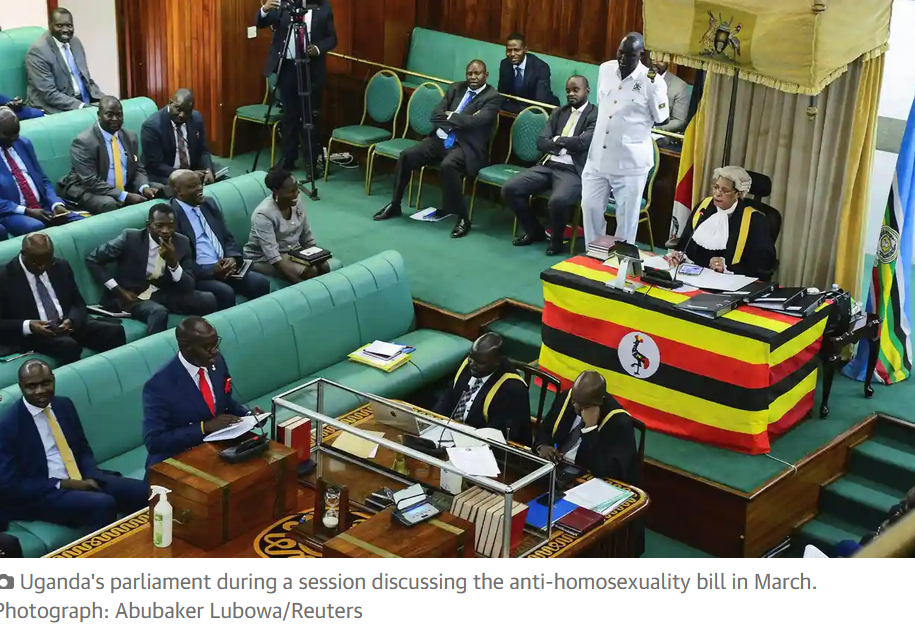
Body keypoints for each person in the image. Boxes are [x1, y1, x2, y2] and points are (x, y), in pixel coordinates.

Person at [0, 360, 148, 531]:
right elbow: (11, 484)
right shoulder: (8, 425)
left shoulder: (63, 405)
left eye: (45, 383)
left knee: (143, 492)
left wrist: (91, 474)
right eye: (31, 386)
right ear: (21, 387)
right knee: (103, 504)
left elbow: (82, 448)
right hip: (44, 492)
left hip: (81, 476)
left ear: (53, 380)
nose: (40, 391)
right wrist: (65, 484)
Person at [374, 60, 503, 239]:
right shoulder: (456, 88)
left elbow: (477, 122)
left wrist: (451, 116)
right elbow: (435, 114)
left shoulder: (493, 97)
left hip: (465, 146)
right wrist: (459, 121)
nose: (473, 77)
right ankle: (395, 204)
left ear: (486, 75)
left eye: (477, 73)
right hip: (439, 139)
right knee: (406, 156)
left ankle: (463, 218)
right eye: (469, 73)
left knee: (448, 165)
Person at [581, 33, 668, 246]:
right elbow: (604, 106)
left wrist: (654, 89)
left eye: (629, 55)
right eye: (620, 53)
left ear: (641, 55)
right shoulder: (605, 69)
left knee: (626, 219)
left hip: (630, 163)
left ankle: (620, 261)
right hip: (598, 157)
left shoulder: (652, 82)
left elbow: (662, 119)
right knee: (589, 207)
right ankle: (593, 254)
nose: (622, 59)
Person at [85, 203, 218, 336]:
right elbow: (93, 259)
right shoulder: (130, 238)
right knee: (158, 312)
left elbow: (188, 286)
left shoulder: (182, 242)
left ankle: (200, 341)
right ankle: (158, 347)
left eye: (170, 226)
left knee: (208, 299)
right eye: (159, 225)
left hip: (164, 293)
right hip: (132, 297)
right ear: (149, 225)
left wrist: (172, 262)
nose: (165, 230)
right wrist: (119, 290)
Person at [502, 76, 597, 255]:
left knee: (558, 201)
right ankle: (534, 230)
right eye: (568, 91)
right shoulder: (559, 112)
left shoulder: (595, 115)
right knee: (510, 189)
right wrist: (564, 143)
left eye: (576, 90)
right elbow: (541, 141)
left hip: (573, 171)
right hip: (549, 165)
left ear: (587, 90)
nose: (571, 94)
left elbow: (583, 142)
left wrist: (557, 139)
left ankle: (556, 241)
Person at [0, 233, 125, 364]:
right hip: (35, 335)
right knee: (68, 346)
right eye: (36, 263)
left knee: (114, 332)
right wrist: (29, 325)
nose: (42, 267)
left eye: (47, 262)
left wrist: (71, 320)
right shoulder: (4, 277)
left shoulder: (60, 266)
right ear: (23, 253)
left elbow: (78, 303)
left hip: (66, 325)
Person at [143, 317, 251, 468]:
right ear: (185, 347)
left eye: (216, 344)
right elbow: (154, 441)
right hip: (176, 460)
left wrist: (249, 416)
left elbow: (225, 402)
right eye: (207, 347)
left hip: (216, 450)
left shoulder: (216, 362)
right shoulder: (159, 384)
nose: (215, 351)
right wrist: (203, 427)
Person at [256, 0, 337, 179]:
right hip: (287, 68)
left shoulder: (323, 6)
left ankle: (311, 162)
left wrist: (317, 48)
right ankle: (288, 158)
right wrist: (264, 9)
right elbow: (262, 22)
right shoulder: (284, 4)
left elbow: (332, 38)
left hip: (311, 68)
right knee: (289, 116)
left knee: (310, 117)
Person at [170, 169, 270, 310]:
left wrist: (232, 258)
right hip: (200, 274)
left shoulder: (208, 203)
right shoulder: (171, 217)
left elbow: (227, 237)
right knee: (225, 293)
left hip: (226, 266)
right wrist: (212, 270)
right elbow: (180, 261)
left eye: (200, 184)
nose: (199, 188)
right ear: (178, 191)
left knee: (260, 282)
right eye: (192, 186)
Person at [669, 166, 777, 279]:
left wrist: (728, 267)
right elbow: (686, 241)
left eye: (725, 191)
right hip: (695, 275)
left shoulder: (755, 220)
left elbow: (763, 264)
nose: (717, 193)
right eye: (716, 187)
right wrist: (680, 255)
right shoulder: (704, 207)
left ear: (738, 194)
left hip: (730, 281)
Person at [59, 96, 159, 215]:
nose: (115, 119)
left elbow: (137, 168)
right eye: (109, 115)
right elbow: (90, 181)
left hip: (124, 186)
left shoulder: (130, 137)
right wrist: (124, 196)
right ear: (99, 115)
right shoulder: (84, 142)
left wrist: (144, 187)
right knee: (109, 203)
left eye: (119, 115)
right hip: (88, 189)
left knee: (160, 190)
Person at [534, 371, 638, 484]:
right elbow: (544, 429)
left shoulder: (619, 423)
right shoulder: (568, 397)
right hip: (556, 467)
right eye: (574, 402)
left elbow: (606, 471)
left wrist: (590, 429)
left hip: (587, 479)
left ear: (599, 402)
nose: (576, 407)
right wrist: (543, 446)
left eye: (583, 405)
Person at [433, 333, 531, 444]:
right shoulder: (468, 363)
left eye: (481, 363)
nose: (472, 364)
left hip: (482, 443)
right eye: (471, 357)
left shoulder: (512, 388)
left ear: (497, 362)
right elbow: (449, 397)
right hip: (451, 431)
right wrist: (433, 422)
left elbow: (497, 434)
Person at [0, 108, 82, 237]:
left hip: (43, 206)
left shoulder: (23, 143)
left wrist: (56, 204)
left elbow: (42, 180)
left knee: (79, 221)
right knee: (37, 227)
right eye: (8, 137)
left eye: (15, 135)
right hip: (12, 212)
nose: (13, 140)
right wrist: (27, 211)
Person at [244, 167, 329, 283]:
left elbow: (306, 234)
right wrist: (297, 283)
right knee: (310, 271)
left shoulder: (296, 200)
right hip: (263, 258)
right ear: (276, 191)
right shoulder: (263, 215)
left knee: (324, 266)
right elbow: (273, 256)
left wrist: (317, 256)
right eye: (291, 191)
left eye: (297, 188)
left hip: (292, 251)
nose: (297, 193)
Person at [25, 7, 104, 114]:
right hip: (54, 108)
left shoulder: (75, 42)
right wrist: (82, 107)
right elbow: (49, 94)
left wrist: (103, 99)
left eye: (69, 26)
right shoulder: (38, 51)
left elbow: (86, 79)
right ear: (49, 25)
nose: (65, 30)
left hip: (83, 101)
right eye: (59, 26)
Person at [141, 89, 215, 186]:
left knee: (220, 180)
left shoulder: (196, 118)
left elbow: (203, 150)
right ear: (170, 103)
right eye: (178, 109)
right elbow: (155, 165)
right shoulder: (152, 126)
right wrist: (187, 175)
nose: (182, 115)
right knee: (185, 187)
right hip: (165, 175)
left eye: (187, 111)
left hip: (193, 170)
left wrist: (208, 169)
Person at [497, 33, 559, 113]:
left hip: (539, 110)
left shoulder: (540, 68)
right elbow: (502, 94)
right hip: (516, 107)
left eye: (516, 50)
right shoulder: (505, 64)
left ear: (525, 49)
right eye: (509, 50)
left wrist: (511, 108)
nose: (512, 54)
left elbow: (541, 102)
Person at [652, 58, 690, 138]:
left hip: (659, 134)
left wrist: (654, 128)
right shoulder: (639, 77)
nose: (655, 63)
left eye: (660, 60)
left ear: (668, 61)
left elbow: (679, 121)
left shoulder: (679, 86)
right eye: (653, 59)